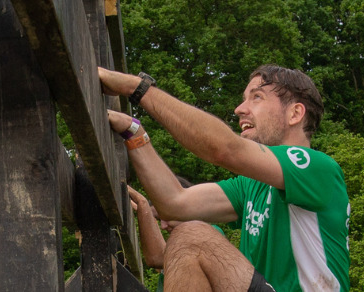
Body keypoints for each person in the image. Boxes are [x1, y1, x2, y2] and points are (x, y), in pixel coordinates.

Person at [100, 65, 349, 291]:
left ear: (294, 114)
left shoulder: (316, 167)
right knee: (187, 235)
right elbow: (175, 202)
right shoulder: (250, 186)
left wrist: (136, 87)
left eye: (257, 97)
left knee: (193, 238)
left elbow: (224, 149)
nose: (240, 109)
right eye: (243, 100)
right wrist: (134, 131)